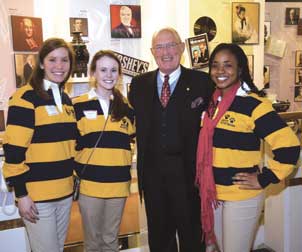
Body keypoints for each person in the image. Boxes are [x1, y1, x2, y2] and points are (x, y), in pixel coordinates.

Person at [195, 43, 300, 252]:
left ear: (240, 69)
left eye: (228, 65)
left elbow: (289, 147)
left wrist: (264, 178)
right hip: (213, 193)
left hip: (241, 195)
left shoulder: (254, 105)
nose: (220, 71)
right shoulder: (210, 104)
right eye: (215, 66)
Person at [129, 27, 214, 252]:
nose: (165, 52)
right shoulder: (138, 85)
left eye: (171, 45)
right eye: (159, 47)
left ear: (182, 48)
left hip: (189, 174)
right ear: (152, 52)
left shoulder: (202, 82)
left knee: (192, 235)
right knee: (159, 236)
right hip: (153, 175)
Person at [3, 38, 77, 252]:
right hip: (37, 198)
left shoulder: (65, 100)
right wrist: (22, 195)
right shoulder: (25, 97)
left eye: (65, 60)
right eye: (52, 59)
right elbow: (14, 151)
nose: (59, 66)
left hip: (64, 194)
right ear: (42, 63)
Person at [73, 50, 135, 252]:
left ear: (119, 75)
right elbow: (71, 145)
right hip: (90, 186)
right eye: (103, 70)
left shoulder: (127, 107)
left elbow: (131, 141)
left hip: (118, 185)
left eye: (113, 70)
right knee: (92, 242)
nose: (109, 75)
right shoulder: (77, 105)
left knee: (110, 240)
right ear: (93, 73)